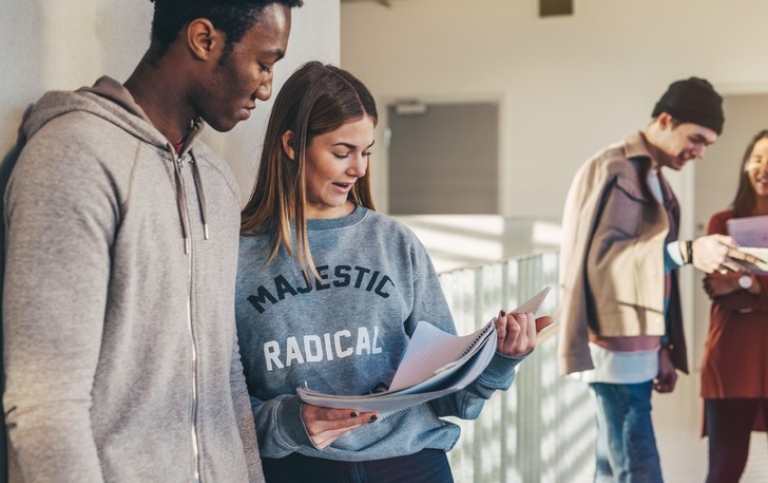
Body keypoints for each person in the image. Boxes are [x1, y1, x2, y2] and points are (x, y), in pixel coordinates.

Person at [2, 0, 301, 481]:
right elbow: (47, 402)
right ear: (204, 39)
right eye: (264, 63)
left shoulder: (218, 183)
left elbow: (224, 372)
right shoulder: (75, 159)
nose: (267, 88)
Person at [235, 61, 553, 483]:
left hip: (412, 466)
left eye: (365, 152)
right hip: (300, 471)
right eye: (342, 152)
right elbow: (214, 407)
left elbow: (448, 396)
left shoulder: (394, 243)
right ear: (292, 144)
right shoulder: (236, 254)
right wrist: (288, 422)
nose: (360, 169)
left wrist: (499, 361)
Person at [557, 77, 763, 482]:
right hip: (614, 352)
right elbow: (599, 262)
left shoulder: (658, 181)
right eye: (697, 139)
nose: (700, 152)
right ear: (666, 120)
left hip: (639, 348)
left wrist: (663, 347)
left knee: (612, 469)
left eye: (708, 145)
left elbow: (656, 279)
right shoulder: (611, 167)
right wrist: (688, 251)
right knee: (638, 472)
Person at [700, 129, 768, 483]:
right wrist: (750, 283)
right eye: (757, 158)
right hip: (730, 363)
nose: (764, 168)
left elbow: (732, 286)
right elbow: (716, 285)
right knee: (724, 471)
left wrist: (744, 283)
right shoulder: (721, 224)